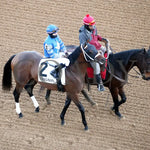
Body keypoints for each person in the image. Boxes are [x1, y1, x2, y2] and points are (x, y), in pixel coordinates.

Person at [79, 14, 110, 91]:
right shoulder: (82, 34)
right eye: (91, 26)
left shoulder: (94, 28)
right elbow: (84, 45)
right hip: (90, 52)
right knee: (96, 66)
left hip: (98, 47)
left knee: (109, 52)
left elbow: (96, 36)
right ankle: (99, 84)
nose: (93, 27)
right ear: (86, 26)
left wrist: (102, 39)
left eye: (93, 25)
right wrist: (95, 51)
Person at [43, 24, 68, 91]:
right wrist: (61, 56)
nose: (56, 33)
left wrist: (65, 51)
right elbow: (51, 54)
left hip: (58, 54)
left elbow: (61, 44)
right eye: (55, 33)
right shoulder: (48, 42)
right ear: (50, 34)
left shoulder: (56, 36)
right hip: (50, 58)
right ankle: (54, 73)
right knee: (63, 62)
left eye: (56, 32)